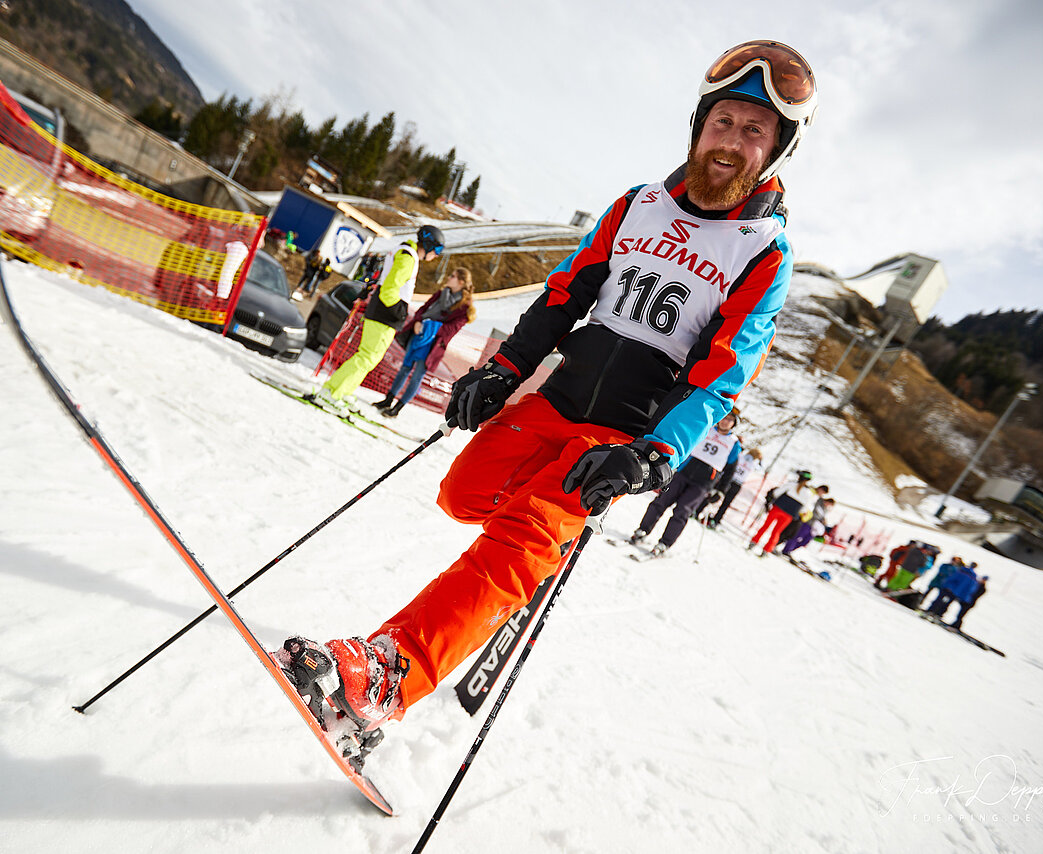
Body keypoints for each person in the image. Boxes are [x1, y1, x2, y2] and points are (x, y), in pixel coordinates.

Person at [276, 41, 818, 749]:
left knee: (523, 534)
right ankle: (528, 562)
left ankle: (388, 675)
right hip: (557, 400)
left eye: (754, 132)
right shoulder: (640, 206)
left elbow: (722, 375)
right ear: (698, 125)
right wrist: (504, 370)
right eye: (724, 122)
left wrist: (654, 455)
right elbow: (565, 295)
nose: (732, 143)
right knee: (464, 493)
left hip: (617, 437)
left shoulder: (763, 248)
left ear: (776, 150)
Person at [308, 225, 445, 413]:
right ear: (429, 244)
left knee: (368, 358)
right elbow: (390, 288)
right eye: (437, 249)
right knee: (367, 357)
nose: (437, 255)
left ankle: (343, 390)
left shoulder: (405, 251)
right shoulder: (408, 257)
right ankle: (332, 392)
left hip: (383, 312)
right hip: (386, 314)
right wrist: (398, 312)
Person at [628, 408, 742, 556]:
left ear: (734, 424)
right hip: (684, 472)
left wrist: (720, 490)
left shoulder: (734, 443)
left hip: (703, 482)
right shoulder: (706, 429)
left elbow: (730, 470)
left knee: (682, 512)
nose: (725, 421)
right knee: (661, 502)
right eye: (725, 418)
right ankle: (643, 530)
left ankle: (664, 543)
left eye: (730, 420)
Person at [374, 267, 476, 417]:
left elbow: (451, 329)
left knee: (417, 376)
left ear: (461, 282)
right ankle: (388, 400)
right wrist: (418, 321)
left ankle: (397, 409)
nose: (448, 277)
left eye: (452, 276)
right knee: (404, 368)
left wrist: (428, 326)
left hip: (433, 345)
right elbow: (424, 308)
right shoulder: (442, 293)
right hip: (417, 334)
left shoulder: (464, 308)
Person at [748, 470, 815, 556]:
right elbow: (804, 509)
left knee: (765, 526)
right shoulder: (808, 493)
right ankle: (767, 550)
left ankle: (753, 542)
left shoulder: (791, 484)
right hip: (789, 514)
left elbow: (776, 493)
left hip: (778, 508)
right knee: (777, 532)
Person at [706, 446, 762, 528]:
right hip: (737, 484)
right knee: (725, 504)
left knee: (714, 495)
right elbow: (760, 469)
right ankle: (716, 520)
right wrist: (761, 461)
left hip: (729, 479)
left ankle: (699, 510)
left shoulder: (740, 456)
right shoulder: (753, 464)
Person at [782, 490, 832, 555]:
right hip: (807, 521)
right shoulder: (818, 502)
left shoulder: (825, 510)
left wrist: (822, 520)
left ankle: (790, 550)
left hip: (812, 525)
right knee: (797, 536)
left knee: (805, 541)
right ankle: (786, 549)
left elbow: (820, 516)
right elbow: (812, 510)